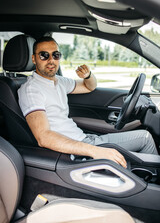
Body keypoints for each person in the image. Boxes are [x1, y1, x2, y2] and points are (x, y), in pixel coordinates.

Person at [18, 36, 158, 168]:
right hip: (75, 150)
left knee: (145, 138)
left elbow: (88, 86)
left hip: (85, 139)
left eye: (55, 55)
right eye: (44, 55)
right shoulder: (31, 90)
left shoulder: (59, 81)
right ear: (34, 59)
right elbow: (44, 137)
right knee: (145, 138)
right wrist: (94, 151)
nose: (51, 60)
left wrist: (88, 75)